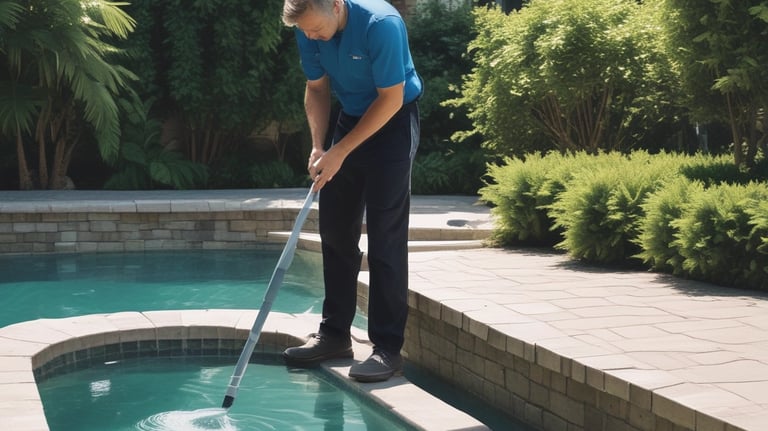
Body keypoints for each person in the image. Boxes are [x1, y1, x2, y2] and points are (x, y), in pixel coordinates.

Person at [281, 0, 422, 383]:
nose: (310, 37)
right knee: (335, 231)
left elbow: (391, 98)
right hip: (351, 119)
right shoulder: (308, 27)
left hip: (393, 122)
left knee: (385, 238)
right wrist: (318, 146)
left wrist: (340, 152)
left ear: (336, 5)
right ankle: (335, 335)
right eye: (305, 31)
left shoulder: (381, 24)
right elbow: (316, 87)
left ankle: (387, 349)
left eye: (315, 29)